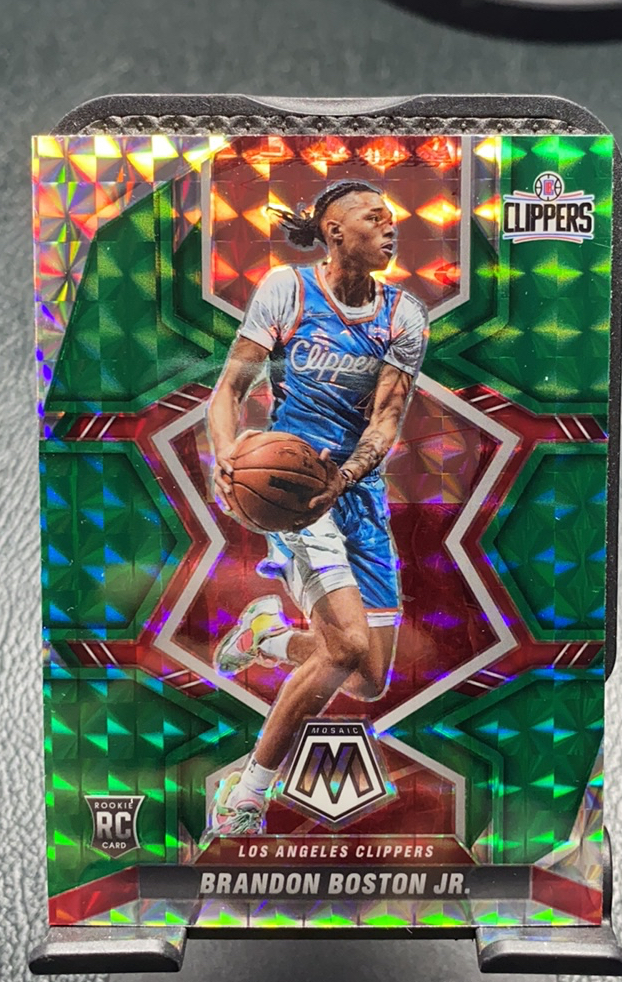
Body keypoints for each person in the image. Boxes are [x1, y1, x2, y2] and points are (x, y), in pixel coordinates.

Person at [203, 179, 429, 837]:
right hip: (297, 498)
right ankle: (248, 794)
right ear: (334, 231)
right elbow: (229, 390)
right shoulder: (289, 290)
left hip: (356, 493)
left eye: (392, 217)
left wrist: (349, 475)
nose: (389, 227)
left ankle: (267, 637)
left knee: (368, 677)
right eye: (373, 217)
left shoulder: (404, 315)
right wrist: (228, 456)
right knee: (346, 646)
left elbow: (386, 421)